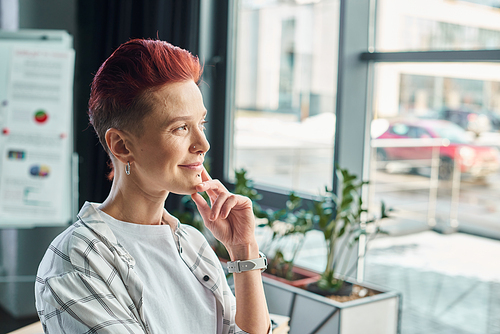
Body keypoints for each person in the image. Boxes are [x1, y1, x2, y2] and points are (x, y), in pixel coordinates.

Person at [35, 39, 271, 334]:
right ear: (121, 146)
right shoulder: (76, 261)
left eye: (202, 124)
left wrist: (243, 251)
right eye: (181, 128)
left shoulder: (192, 244)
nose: (203, 144)